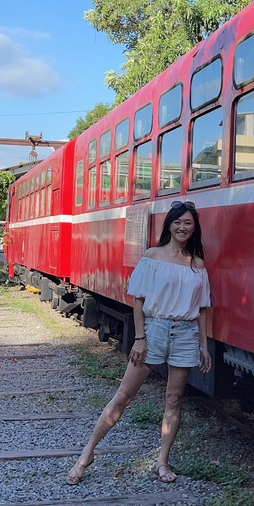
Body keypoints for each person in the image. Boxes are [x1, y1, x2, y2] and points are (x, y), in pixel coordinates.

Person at [66, 200, 213, 485]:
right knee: (123, 396)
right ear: (169, 225)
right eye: (178, 222)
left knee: (173, 399)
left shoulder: (198, 265)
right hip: (155, 331)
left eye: (188, 223)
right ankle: (86, 455)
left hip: (185, 335)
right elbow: (138, 299)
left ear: (194, 229)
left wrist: (204, 346)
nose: (182, 228)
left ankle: (162, 461)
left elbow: (204, 308)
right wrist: (140, 337)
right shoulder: (153, 256)